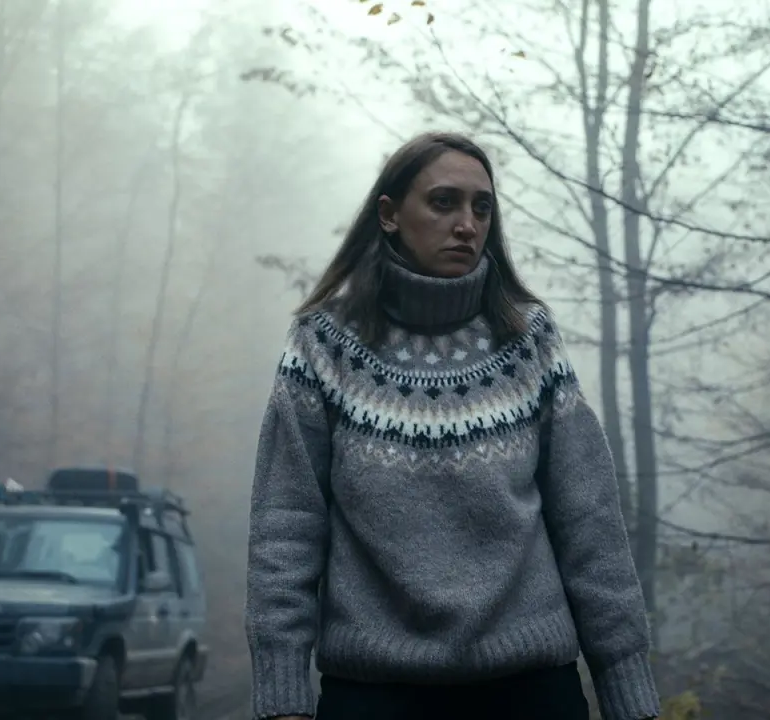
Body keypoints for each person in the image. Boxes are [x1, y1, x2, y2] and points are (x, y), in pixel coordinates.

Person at [244, 131, 660, 720]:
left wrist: (626, 688)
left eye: (481, 207)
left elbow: (589, 521)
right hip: (375, 693)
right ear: (389, 214)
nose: (467, 224)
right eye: (443, 202)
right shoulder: (323, 345)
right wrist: (283, 695)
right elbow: (285, 527)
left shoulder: (529, 340)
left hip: (531, 690)